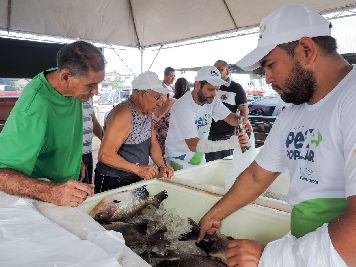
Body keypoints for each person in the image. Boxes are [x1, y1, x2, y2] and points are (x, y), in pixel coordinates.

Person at [199, 4, 356, 267]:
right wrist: (216, 213)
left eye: (270, 66)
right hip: (308, 252)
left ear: (306, 50)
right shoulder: (292, 114)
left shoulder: (351, 99)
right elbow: (257, 175)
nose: (268, 78)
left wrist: (272, 257)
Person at [0, 41, 105, 207]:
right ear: (64, 77)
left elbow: (63, 130)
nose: (96, 91)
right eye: (91, 85)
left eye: (98, 84)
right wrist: (51, 191)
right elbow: (2, 175)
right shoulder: (34, 107)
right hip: (44, 199)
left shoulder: (71, 87)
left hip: (68, 187)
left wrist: (75, 159)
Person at [94, 71, 174, 193]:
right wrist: (138, 169)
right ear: (142, 93)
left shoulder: (147, 112)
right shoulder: (123, 114)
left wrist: (162, 166)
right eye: (157, 97)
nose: (160, 103)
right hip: (114, 180)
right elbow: (105, 154)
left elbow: (153, 144)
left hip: (134, 177)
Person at [165, 66, 250, 171]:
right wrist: (230, 143)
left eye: (217, 89)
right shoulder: (183, 107)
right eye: (210, 89)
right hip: (179, 160)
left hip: (199, 156)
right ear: (197, 85)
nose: (214, 93)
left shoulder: (211, 100)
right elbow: (193, 144)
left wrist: (242, 121)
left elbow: (229, 117)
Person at [205, 60, 248, 162]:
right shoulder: (210, 86)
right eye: (214, 69)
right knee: (208, 167)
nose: (216, 72)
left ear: (227, 72)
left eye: (220, 69)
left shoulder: (236, 88)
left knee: (225, 166)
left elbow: (244, 112)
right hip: (208, 134)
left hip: (227, 136)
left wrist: (242, 129)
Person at [81, 98, 103, 184]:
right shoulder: (70, 97)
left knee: (88, 185)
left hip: (87, 152)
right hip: (75, 154)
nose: (96, 91)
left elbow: (93, 120)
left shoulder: (88, 97)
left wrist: (104, 140)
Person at [152, 93, 176, 157]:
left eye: (161, 96)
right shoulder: (147, 106)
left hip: (175, 153)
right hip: (154, 154)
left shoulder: (177, 105)